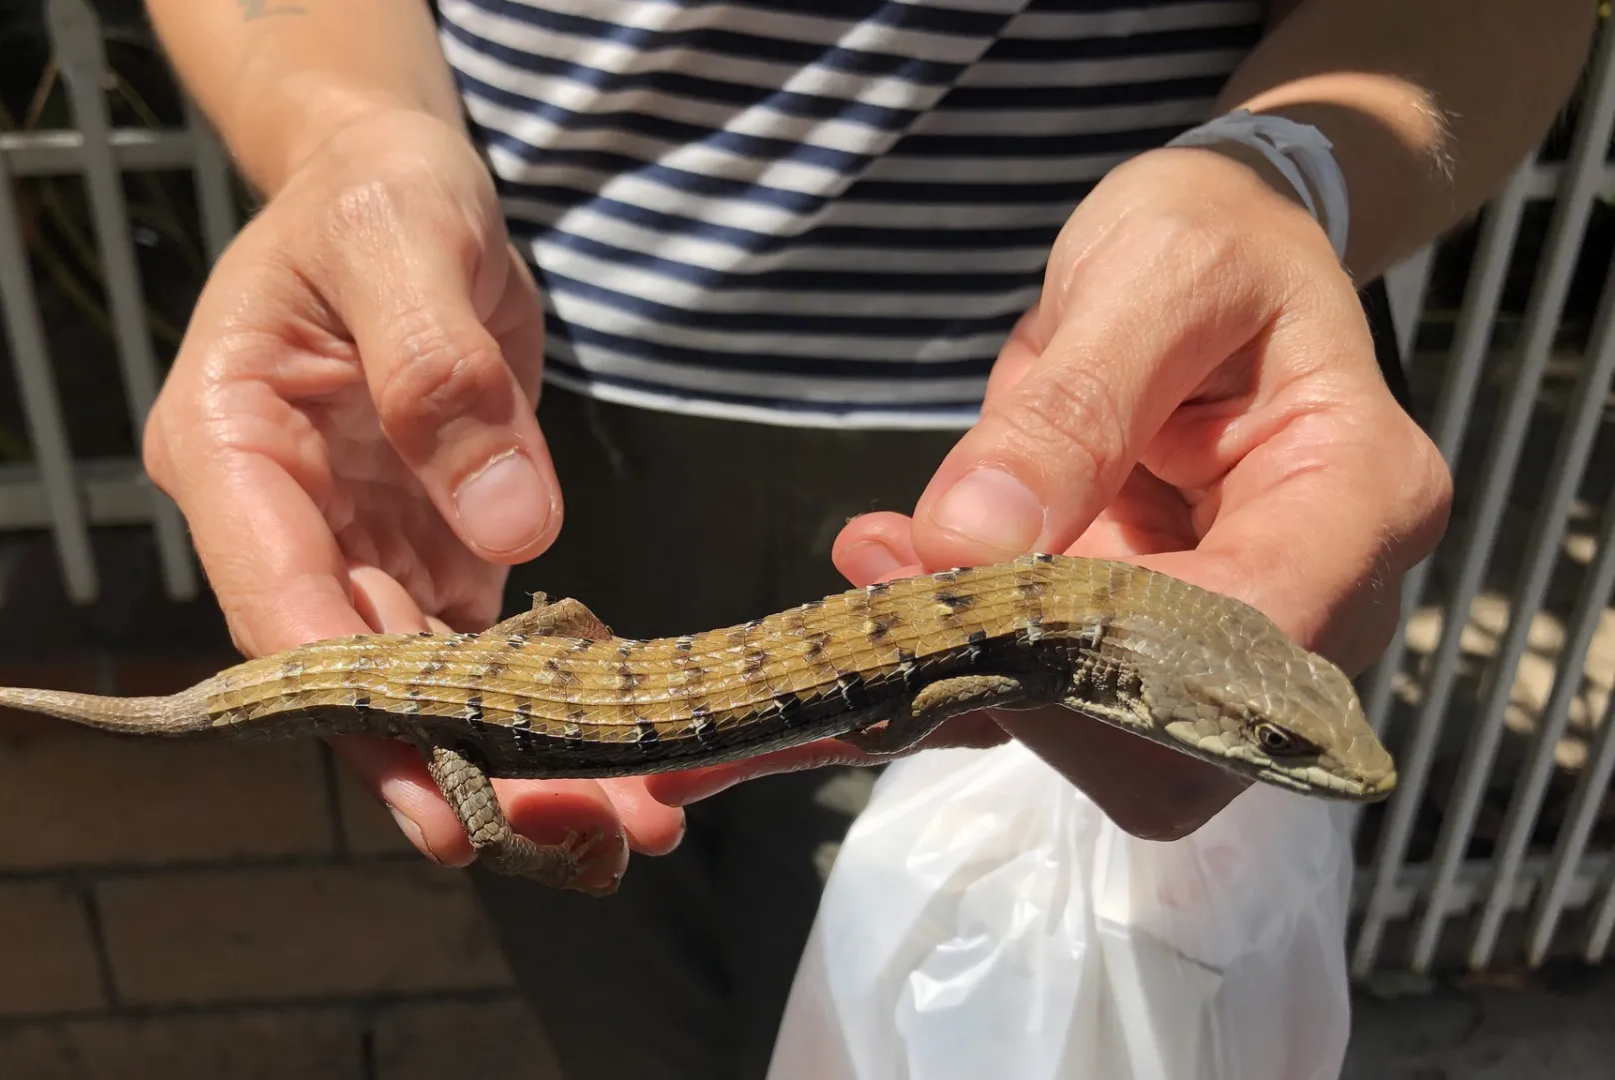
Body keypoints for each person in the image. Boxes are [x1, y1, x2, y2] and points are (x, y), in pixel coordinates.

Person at [135, 0, 1587, 1076]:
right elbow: (963, 682)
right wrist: (347, 134)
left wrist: (1283, 170)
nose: (1329, 775)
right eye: (1273, 744)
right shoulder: (1041, 638)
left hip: (1094, 419)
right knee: (632, 979)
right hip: (508, 411)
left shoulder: (1100, 598)